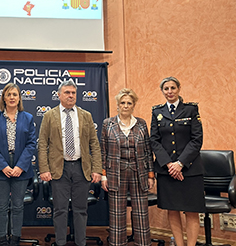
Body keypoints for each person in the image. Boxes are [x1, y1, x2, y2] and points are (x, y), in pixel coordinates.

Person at [38, 79, 102, 246]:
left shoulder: (86, 115)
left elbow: (94, 144)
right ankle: (60, 243)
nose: (71, 96)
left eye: (73, 93)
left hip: (82, 168)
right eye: (67, 92)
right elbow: (42, 143)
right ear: (59, 95)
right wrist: (44, 169)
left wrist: (97, 169)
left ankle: (81, 243)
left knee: (81, 210)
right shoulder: (49, 116)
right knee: (60, 210)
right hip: (59, 169)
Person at [150, 76, 204, 246]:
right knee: (172, 210)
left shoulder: (191, 110)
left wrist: (179, 164)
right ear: (162, 91)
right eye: (166, 89)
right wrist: (168, 164)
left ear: (179, 89)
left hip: (190, 169)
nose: (170, 92)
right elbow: (154, 140)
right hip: (166, 170)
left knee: (191, 211)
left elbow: (197, 140)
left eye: (173, 88)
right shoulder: (157, 112)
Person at [100, 88, 155, 246]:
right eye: (122, 103)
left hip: (140, 173)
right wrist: (104, 175)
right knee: (117, 214)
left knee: (141, 214)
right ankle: (117, 243)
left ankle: (143, 243)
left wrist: (151, 175)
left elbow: (147, 150)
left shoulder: (141, 123)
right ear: (117, 105)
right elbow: (103, 151)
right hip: (115, 174)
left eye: (129, 103)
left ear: (133, 105)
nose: (125, 105)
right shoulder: (107, 124)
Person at [0, 83, 37, 246]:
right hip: (0, 168)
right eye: (9, 95)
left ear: (19, 98)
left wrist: (20, 166)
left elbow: (31, 143)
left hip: (21, 168)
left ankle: (15, 239)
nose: (12, 97)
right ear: (4, 98)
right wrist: (3, 166)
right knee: (1, 206)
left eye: (15, 94)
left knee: (18, 206)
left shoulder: (27, 118)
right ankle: (1, 239)